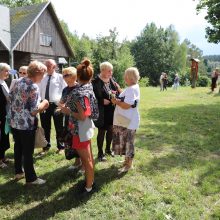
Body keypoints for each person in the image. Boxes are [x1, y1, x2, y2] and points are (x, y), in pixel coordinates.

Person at [60, 59, 98, 194]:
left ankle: (89, 187)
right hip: (86, 126)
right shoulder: (88, 87)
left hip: (80, 128)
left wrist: (68, 111)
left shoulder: (77, 92)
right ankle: (91, 181)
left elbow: (82, 115)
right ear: (90, 76)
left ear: (78, 76)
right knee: (89, 158)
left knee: (86, 160)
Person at [9, 61, 49, 184]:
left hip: (15, 122)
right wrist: (44, 103)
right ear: (37, 73)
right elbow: (33, 111)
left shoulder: (17, 82)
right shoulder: (33, 86)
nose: (43, 78)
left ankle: (19, 172)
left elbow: (10, 98)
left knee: (18, 148)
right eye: (43, 74)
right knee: (27, 151)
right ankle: (31, 179)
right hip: (26, 124)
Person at [111, 67, 140, 173]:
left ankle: (129, 165)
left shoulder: (132, 89)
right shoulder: (132, 88)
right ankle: (126, 161)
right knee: (126, 142)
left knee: (129, 143)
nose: (124, 78)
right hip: (127, 120)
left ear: (130, 77)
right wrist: (119, 94)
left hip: (129, 122)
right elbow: (127, 100)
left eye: (125, 76)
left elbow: (127, 105)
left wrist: (116, 102)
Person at [92, 62, 121, 161]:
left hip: (112, 110)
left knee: (111, 130)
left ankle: (108, 149)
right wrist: (101, 101)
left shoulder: (112, 80)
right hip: (101, 111)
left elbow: (117, 91)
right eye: (109, 71)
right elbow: (91, 97)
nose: (111, 72)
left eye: (111, 70)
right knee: (101, 131)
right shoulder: (95, 82)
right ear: (102, 70)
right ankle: (100, 153)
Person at [39, 59, 67, 154]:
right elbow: (39, 90)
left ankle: (61, 147)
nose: (46, 67)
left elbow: (65, 90)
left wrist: (62, 103)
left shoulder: (60, 77)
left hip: (56, 105)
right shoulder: (42, 77)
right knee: (45, 127)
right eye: (45, 65)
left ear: (54, 67)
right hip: (44, 104)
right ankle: (46, 147)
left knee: (59, 126)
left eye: (48, 65)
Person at [58, 67, 82, 171]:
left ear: (74, 75)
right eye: (63, 75)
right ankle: (77, 162)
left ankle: (84, 165)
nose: (64, 77)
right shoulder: (65, 89)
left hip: (78, 119)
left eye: (66, 75)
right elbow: (62, 101)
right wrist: (61, 106)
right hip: (68, 118)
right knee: (71, 140)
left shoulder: (80, 88)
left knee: (80, 141)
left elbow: (82, 106)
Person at [0, 63, 11, 168]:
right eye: (6, 71)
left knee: (4, 135)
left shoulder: (3, 82)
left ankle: (2, 156)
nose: (8, 73)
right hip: (0, 114)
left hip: (5, 114)